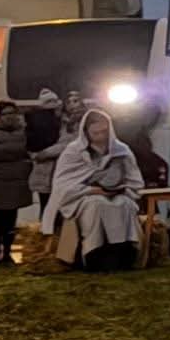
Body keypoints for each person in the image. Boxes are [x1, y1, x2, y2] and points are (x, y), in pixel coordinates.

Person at [41, 108, 145, 272]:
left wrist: (122, 188)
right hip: (84, 195)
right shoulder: (74, 151)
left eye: (104, 132)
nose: (101, 137)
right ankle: (93, 256)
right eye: (96, 133)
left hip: (117, 193)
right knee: (96, 205)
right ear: (86, 132)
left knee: (124, 204)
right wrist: (91, 190)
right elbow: (63, 184)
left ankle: (123, 254)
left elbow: (135, 180)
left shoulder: (121, 150)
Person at [0, 100, 34, 266]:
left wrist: (5, 150)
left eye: (13, 113)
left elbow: (29, 149)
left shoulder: (24, 132)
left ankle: (7, 252)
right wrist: (16, 151)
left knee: (11, 219)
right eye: (6, 113)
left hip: (17, 181)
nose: (10, 116)